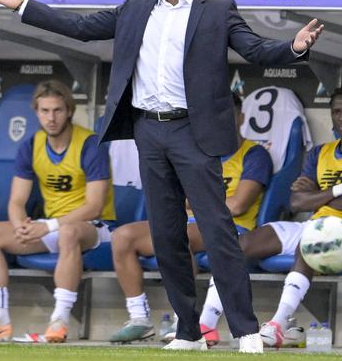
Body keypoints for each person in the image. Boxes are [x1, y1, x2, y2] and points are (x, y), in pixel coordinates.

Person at [0, 0, 322, 354]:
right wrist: (24, 6)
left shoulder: (217, 9)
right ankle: (188, 332)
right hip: (149, 130)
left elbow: (255, 49)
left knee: (217, 231)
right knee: (166, 234)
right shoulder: (136, 5)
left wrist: (294, 46)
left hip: (193, 132)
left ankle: (246, 330)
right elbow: (83, 28)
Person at [200, 85, 342, 348]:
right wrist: (338, 190)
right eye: (337, 112)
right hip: (314, 223)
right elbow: (296, 201)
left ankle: (278, 324)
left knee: (309, 244)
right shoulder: (319, 152)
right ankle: (206, 325)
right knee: (238, 246)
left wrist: (318, 193)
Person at [0, 81, 115, 343]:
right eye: (44, 111)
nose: (51, 118)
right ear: (36, 112)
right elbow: (17, 200)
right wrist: (20, 225)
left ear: (69, 111)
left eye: (57, 111)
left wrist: (48, 227)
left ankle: (58, 321)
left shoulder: (89, 144)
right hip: (51, 226)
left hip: (95, 226)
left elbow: (94, 206)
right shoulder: (32, 144)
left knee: (68, 233)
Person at [108, 92, 272, 345]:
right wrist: (195, 202)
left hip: (232, 229)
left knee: (180, 236)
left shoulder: (254, 154)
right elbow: (173, 194)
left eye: (229, 113)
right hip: (190, 219)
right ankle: (139, 318)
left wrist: (197, 202)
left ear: (240, 117)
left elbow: (238, 205)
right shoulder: (192, 149)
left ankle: (183, 321)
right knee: (122, 237)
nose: (222, 119)